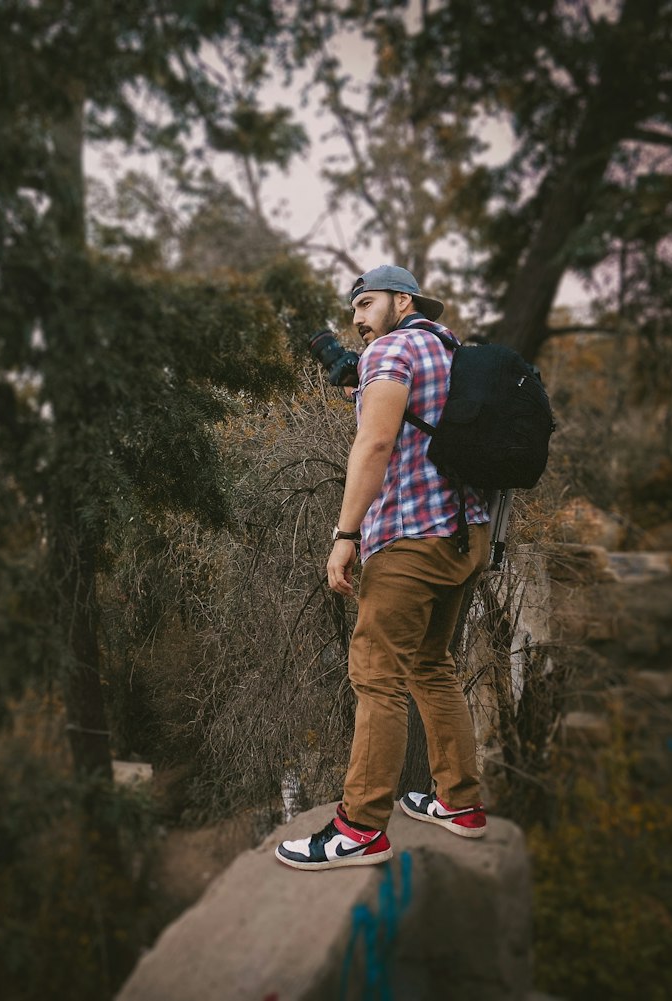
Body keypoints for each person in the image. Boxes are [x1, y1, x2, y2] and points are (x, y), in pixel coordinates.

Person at [276, 265, 491, 871]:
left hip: (408, 538)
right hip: (465, 535)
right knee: (431, 663)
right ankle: (461, 804)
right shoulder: (450, 352)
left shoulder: (392, 350)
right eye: (352, 311)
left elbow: (373, 445)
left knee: (376, 674)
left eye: (367, 303)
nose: (358, 318)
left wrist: (345, 535)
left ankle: (361, 828)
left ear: (404, 299)